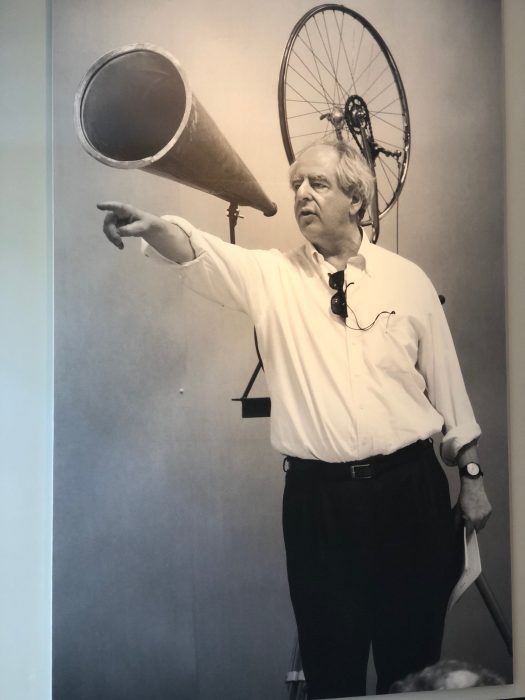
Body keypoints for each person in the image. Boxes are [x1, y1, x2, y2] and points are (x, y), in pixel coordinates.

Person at [97, 138, 492, 699]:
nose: (302, 194)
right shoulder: (271, 276)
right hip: (319, 504)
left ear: (356, 200)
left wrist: (471, 476)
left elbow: (449, 389)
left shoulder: (409, 281)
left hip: (410, 493)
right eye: (296, 185)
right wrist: (155, 225)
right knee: (332, 671)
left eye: (318, 183)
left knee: (411, 667)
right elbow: (201, 251)